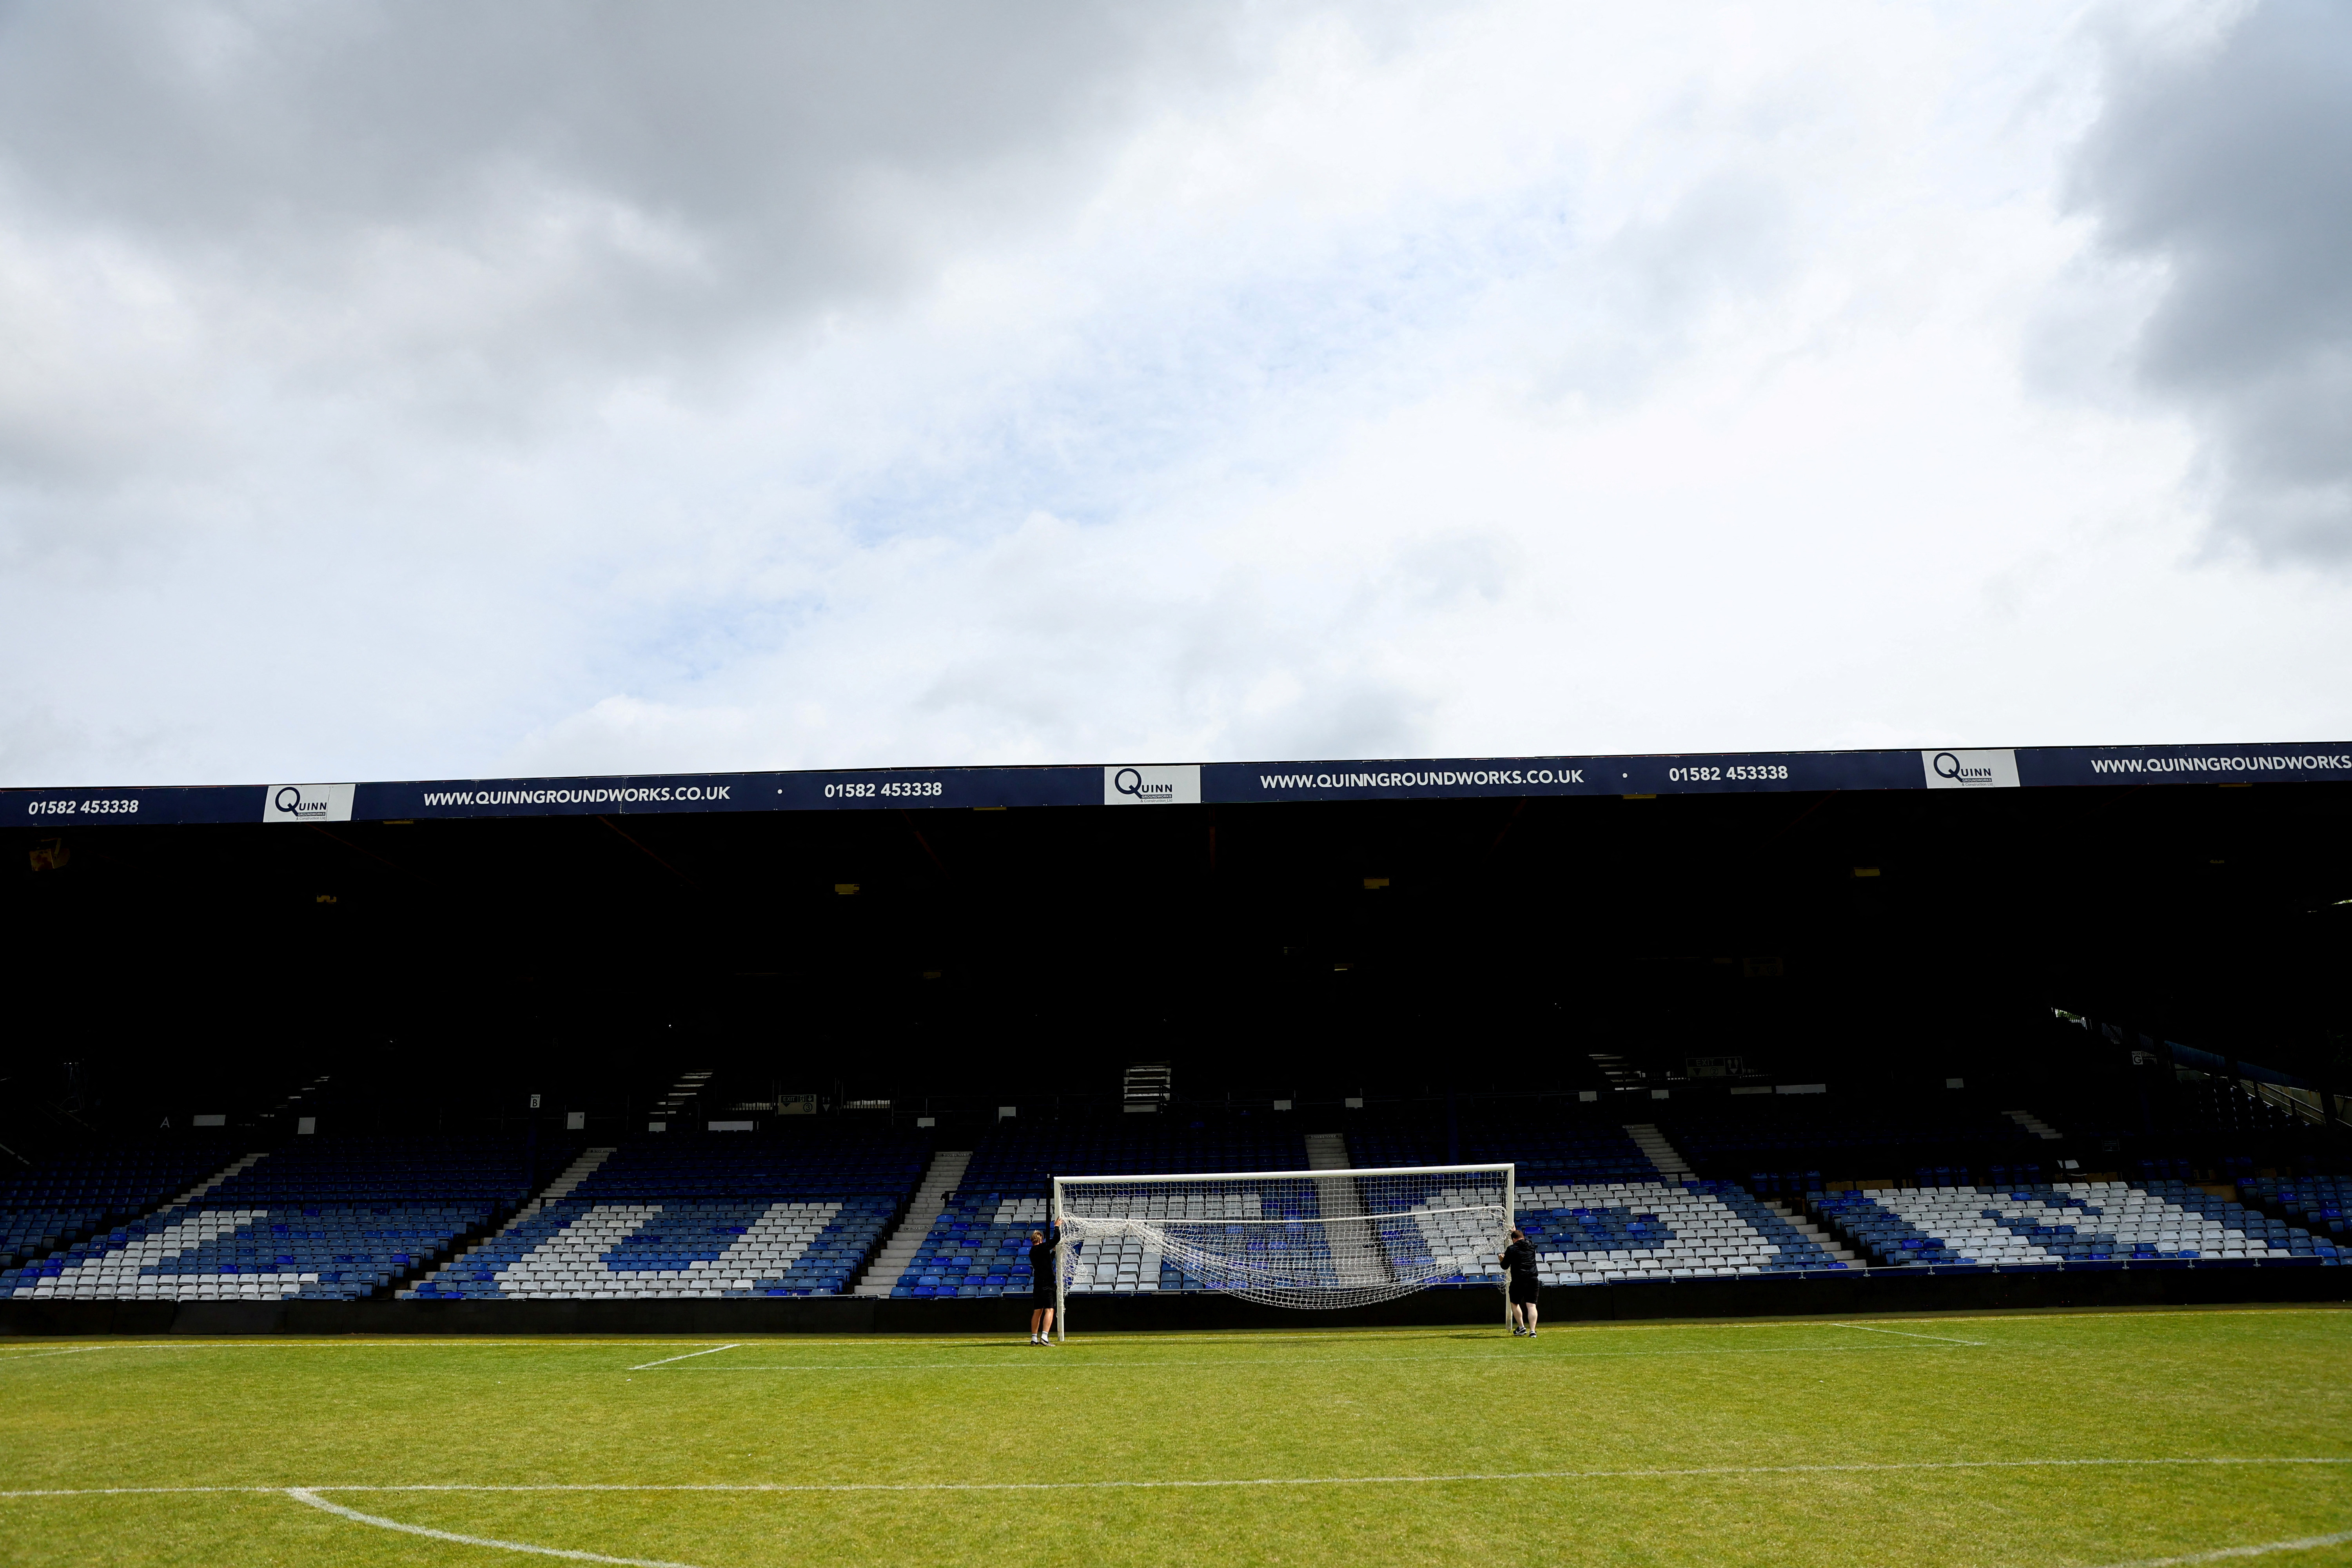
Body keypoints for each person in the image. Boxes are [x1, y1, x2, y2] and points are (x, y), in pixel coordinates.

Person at [1499, 1227, 1540, 1337]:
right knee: (1532, 1306)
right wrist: (1515, 1231)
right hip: (1533, 1279)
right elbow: (1522, 1240)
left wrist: (1501, 1259)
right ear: (1523, 1237)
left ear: (1513, 1240)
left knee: (1515, 1303)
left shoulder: (1512, 1249)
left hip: (1519, 1279)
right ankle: (1533, 1331)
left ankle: (1522, 1327)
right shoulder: (1532, 1245)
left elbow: (1505, 1266)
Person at [1027, 1226, 1061, 1345]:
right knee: (1050, 1310)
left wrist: (1054, 1253)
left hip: (1037, 1283)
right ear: (1041, 1240)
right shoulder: (1043, 1247)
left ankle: (1034, 1338)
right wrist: (1057, 1227)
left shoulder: (1032, 1252)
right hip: (1047, 1282)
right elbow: (1057, 1239)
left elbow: (1045, 1261)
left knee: (1037, 1311)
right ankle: (1045, 1336)